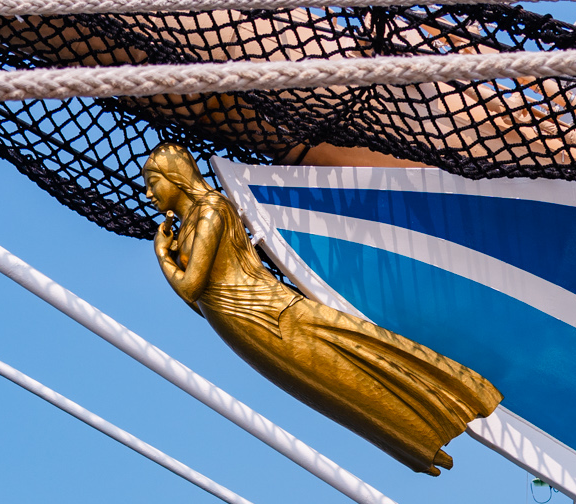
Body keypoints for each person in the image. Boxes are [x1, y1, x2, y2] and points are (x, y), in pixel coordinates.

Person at [144, 142, 500, 476]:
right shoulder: (191, 223)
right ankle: (418, 441)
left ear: (175, 176)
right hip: (243, 324)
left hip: (270, 315)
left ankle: (445, 408)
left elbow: (190, 286)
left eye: (153, 182)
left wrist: (163, 256)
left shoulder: (211, 212)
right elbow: (201, 301)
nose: (148, 193)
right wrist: (176, 263)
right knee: (330, 390)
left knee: (351, 361)